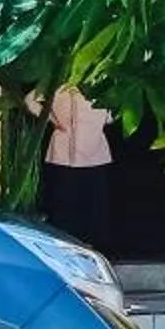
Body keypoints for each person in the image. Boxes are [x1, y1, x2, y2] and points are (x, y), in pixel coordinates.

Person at [42, 86, 115, 243]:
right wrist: (53, 120)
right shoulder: (58, 85)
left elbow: (112, 113)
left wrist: (101, 121)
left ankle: (95, 247)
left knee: (93, 205)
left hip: (94, 152)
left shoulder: (100, 85)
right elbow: (31, 101)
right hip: (64, 155)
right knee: (64, 205)